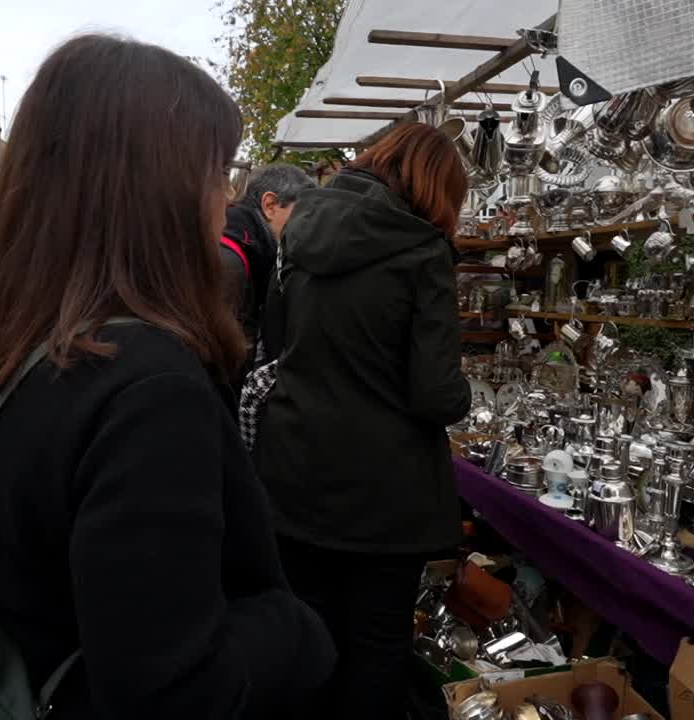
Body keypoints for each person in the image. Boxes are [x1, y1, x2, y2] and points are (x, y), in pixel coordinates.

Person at [0, 34, 334, 719]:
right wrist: (302, 631)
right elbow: (173, 690)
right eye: (215, 173)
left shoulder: (4, 343)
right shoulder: (144, 391)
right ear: (156, 189)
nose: (225, 200)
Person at [254, 122, 472, 720]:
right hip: (385, 494)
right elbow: (436, 393)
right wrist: (465, 391)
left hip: (294, 470)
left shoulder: (297, 231)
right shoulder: (423, 250)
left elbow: (274, 347)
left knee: (309, 629)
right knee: (377, 643)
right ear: (434, 186)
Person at [219, 163, 315, 367]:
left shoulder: (251, 251)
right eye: (303, 214)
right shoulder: (230, 263)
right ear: (270, 205)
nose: (308, 226)